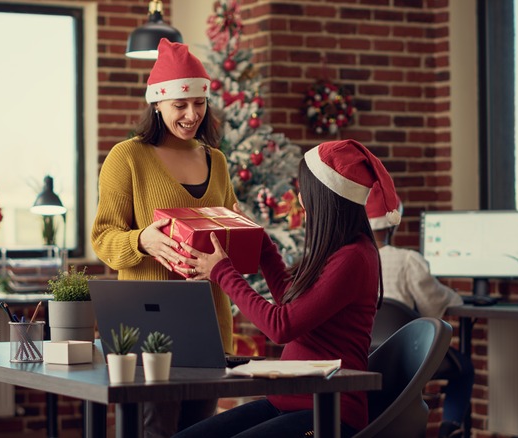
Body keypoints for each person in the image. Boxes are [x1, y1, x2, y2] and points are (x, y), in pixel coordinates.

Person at [173, 139, 401, 438]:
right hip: (289, 402)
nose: (299, 198)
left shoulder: (354, 258)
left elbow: (280, 327)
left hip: (328, 411)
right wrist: (262, 242)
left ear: (324, 196)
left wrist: (222, 272)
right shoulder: (335, 251)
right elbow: (289, 304)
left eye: (303, 188)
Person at [90, 38, 238, 438]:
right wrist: (142, 242)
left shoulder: (216, 161)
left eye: (199, 103)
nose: (192, 115)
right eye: (180, 105)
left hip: (209, 321)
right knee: (152, 429)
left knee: (201, 431)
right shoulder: (127, 157)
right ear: (157, 104)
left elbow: (233, 225)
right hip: (148, 322)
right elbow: (103, 237)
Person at [365, 188, 474, 438]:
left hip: (368, 359)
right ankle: (448, 430)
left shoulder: (354, 260)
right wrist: (455, 296)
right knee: (464, 367)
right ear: (393, 226)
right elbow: (433, 306)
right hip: (408, 359)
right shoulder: (407, 260)